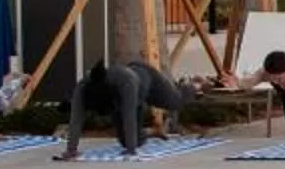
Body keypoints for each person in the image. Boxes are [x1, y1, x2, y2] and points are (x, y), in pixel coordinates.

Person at [63, 59, 193, 157]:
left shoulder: (126, 82)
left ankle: (192, 85)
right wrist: (71, 150)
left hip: (148, 79)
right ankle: (153, 132)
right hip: (128, 97)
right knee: (128, 141)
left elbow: (129, 117)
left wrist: (131, 151)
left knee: (176, 102)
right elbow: (76, 119)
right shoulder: (82, 88)